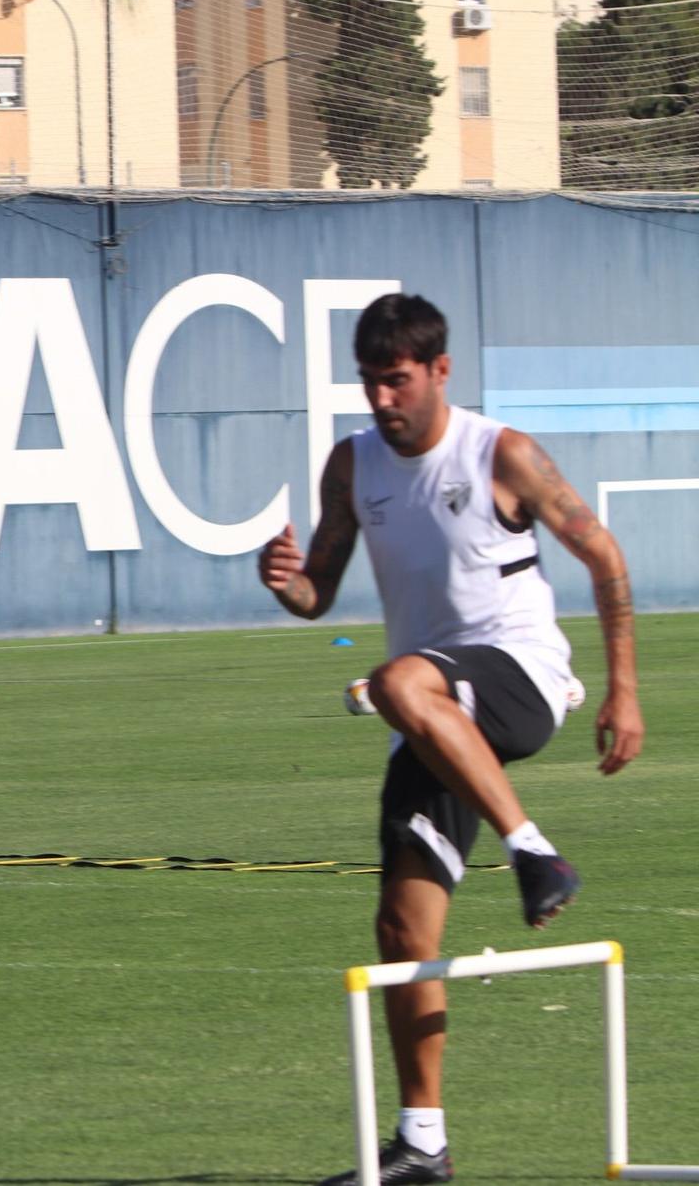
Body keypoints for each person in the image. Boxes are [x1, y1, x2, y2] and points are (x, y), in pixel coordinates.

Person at [256, 294, 642, 1185]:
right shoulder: (351, 467)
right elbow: (320, 588)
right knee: (402, 923)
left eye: (397, 380)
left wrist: (623, 690)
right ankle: (423, 1142)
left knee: (397, 682)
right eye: (369, 382)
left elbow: (605, 556)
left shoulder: (500, 452)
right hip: (432, 712)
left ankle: (534, 849)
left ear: (439, 371)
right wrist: (286, 585)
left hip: (521, 678)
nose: (382, 400)